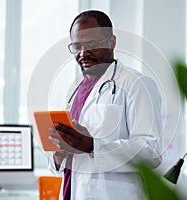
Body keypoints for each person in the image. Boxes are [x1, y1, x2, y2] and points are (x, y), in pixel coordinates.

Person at [48, 10, 162, 200]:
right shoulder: (77, 90)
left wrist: (92, 145)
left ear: (111, 42)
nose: (83, 53)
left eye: (91, 44)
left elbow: (152, 152)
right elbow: (71, 163)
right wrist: (59, 155)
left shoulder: (137, 84)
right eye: (77, 47)